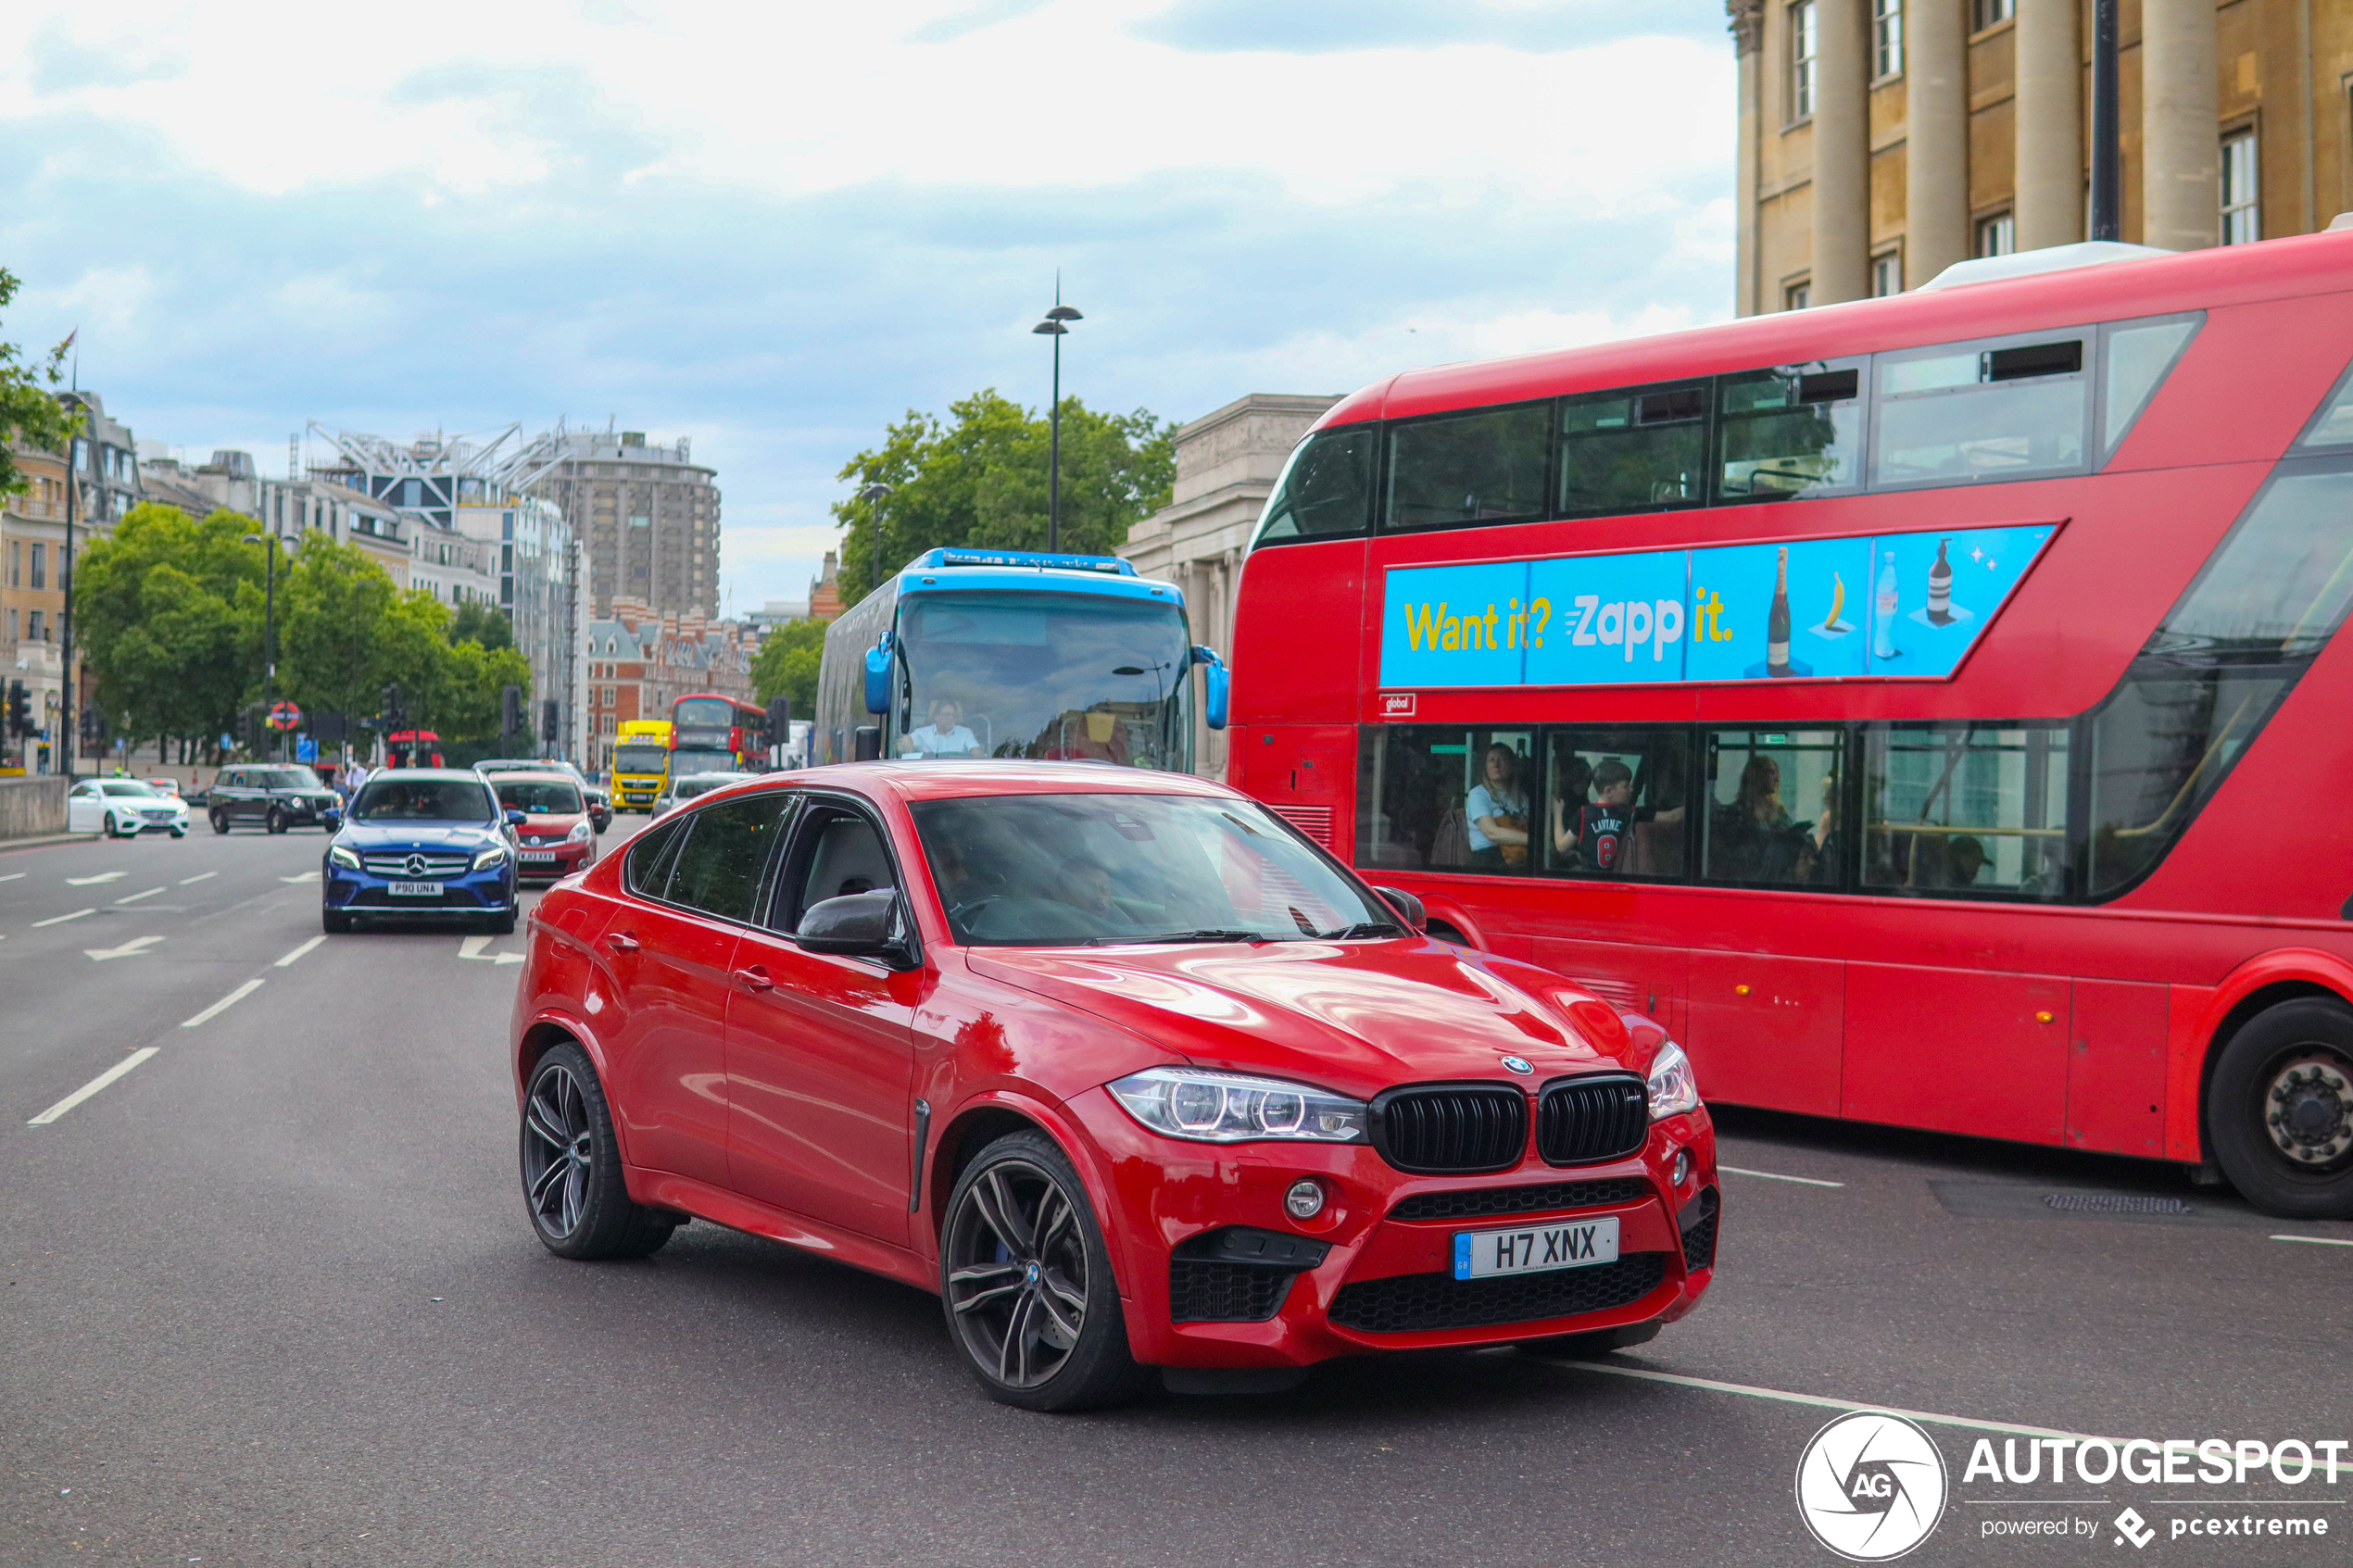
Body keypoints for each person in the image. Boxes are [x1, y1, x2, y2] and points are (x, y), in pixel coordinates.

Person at [1553, 758, 1684, 873]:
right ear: (1608, 791)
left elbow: (1561, 846)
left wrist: (1558, 813)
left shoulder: (1583, 813)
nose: (1631, 789)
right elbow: (1673, 817)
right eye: (1625, 786)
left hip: (1590, 881)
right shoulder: (1628, 812)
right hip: (1617, 879)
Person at [1465, 743, 1529, 871]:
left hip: (1519, 859)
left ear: (1512, 766)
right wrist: (1530, 840)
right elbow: (1491, 832)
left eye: (1502, 759)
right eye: (1491, 760)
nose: (1496, 764)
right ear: (1486, 767)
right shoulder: (1478, 794)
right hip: (1487, 862)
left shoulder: (1522, 796)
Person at [903, 697, 983, 759]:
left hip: (957, 772)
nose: (951, 718)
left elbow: (978, 755)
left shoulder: (965, 733)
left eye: (953, 715)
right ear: (936, 716)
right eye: (947, 714)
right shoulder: (921, 733)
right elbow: (899, 746)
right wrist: (906, 739)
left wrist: (976, 753)